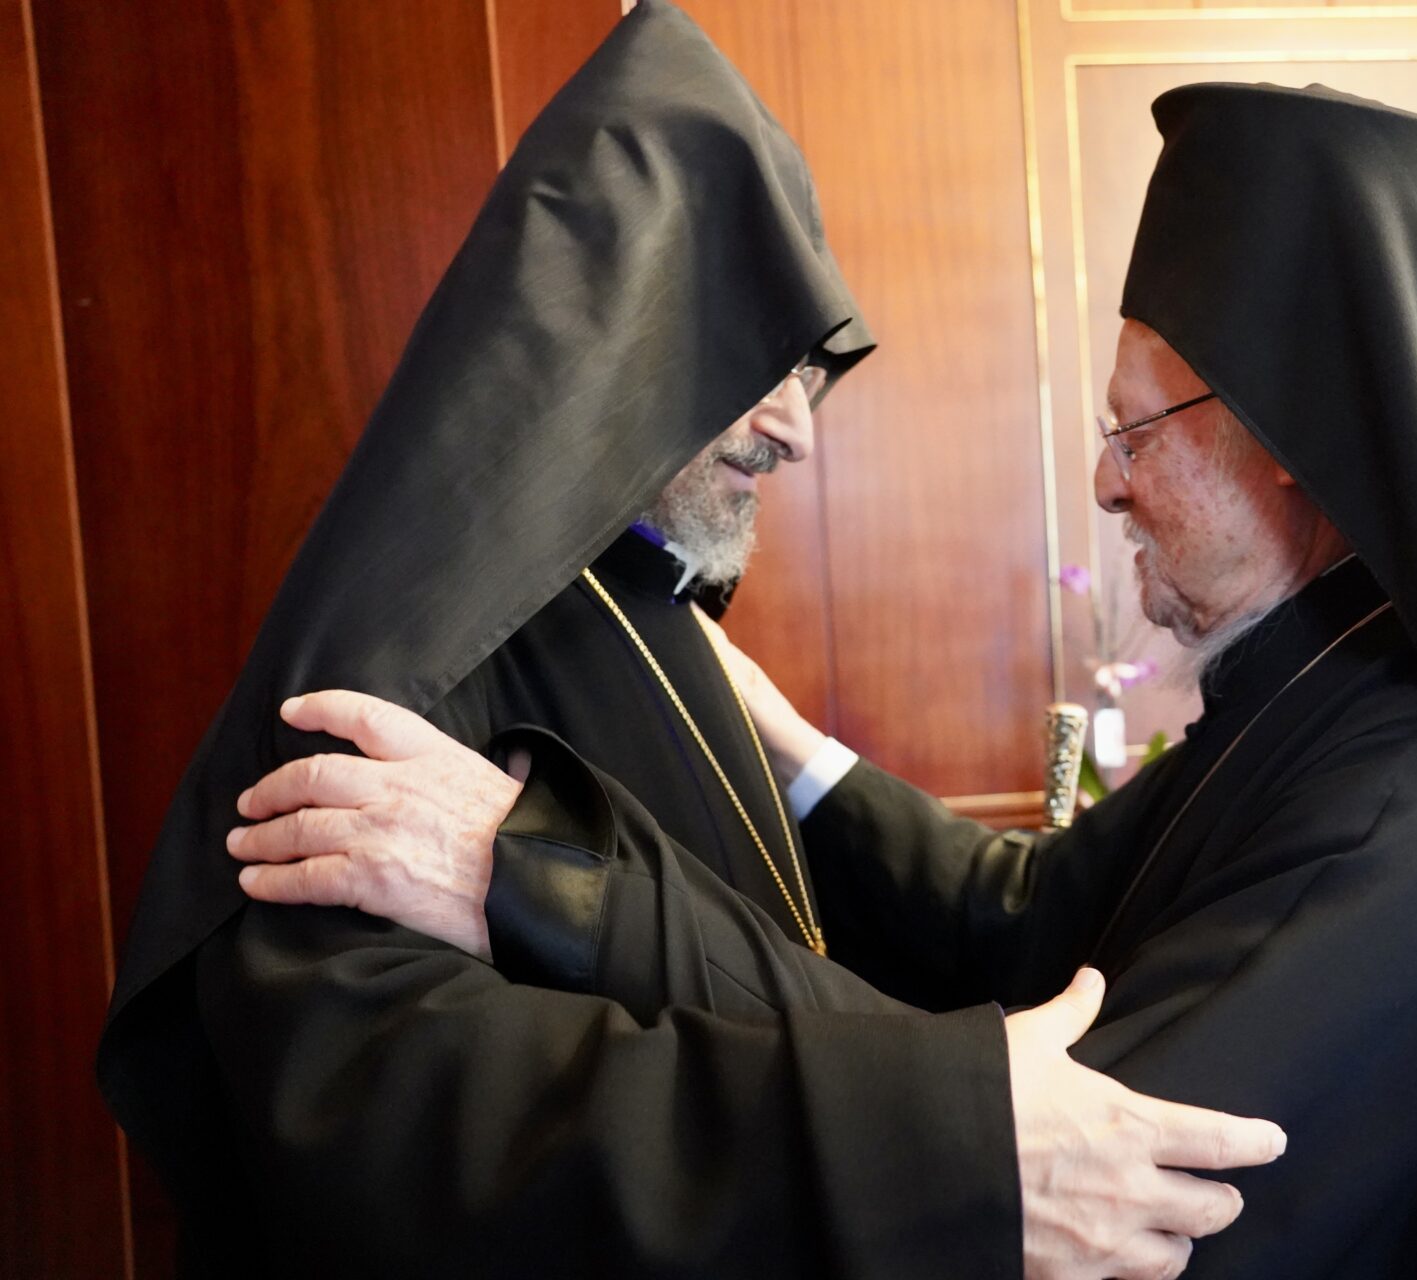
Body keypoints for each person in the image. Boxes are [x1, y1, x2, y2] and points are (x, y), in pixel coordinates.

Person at [227, 83, 1417, 1278]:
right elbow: (1034, 921)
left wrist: (546, 874)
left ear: (1300, 435)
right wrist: (793, 750)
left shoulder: (1406, 809)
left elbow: (1065, 1155)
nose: (1106, 483)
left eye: (1135, 430)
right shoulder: (1333, 688)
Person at [94, 7, 1281, 1277]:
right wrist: (930, 1138)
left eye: (809, 376)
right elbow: (390, 1104)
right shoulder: (408, 649)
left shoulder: (652, 606)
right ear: (618, 339)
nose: (799, 430)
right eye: (759, 366)